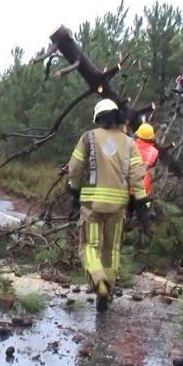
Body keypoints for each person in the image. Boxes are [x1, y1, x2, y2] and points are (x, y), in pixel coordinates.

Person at [67, 99, 147, 312]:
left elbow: (75, 167)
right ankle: (109, 290)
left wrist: (73, 190)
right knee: (112, 249)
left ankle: (99, 280)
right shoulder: (129, 143)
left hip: (92, 205)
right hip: (118, 207)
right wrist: (141, 202)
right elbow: (137, 173)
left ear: (98, 118)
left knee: (89, 246)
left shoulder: (89, 138)